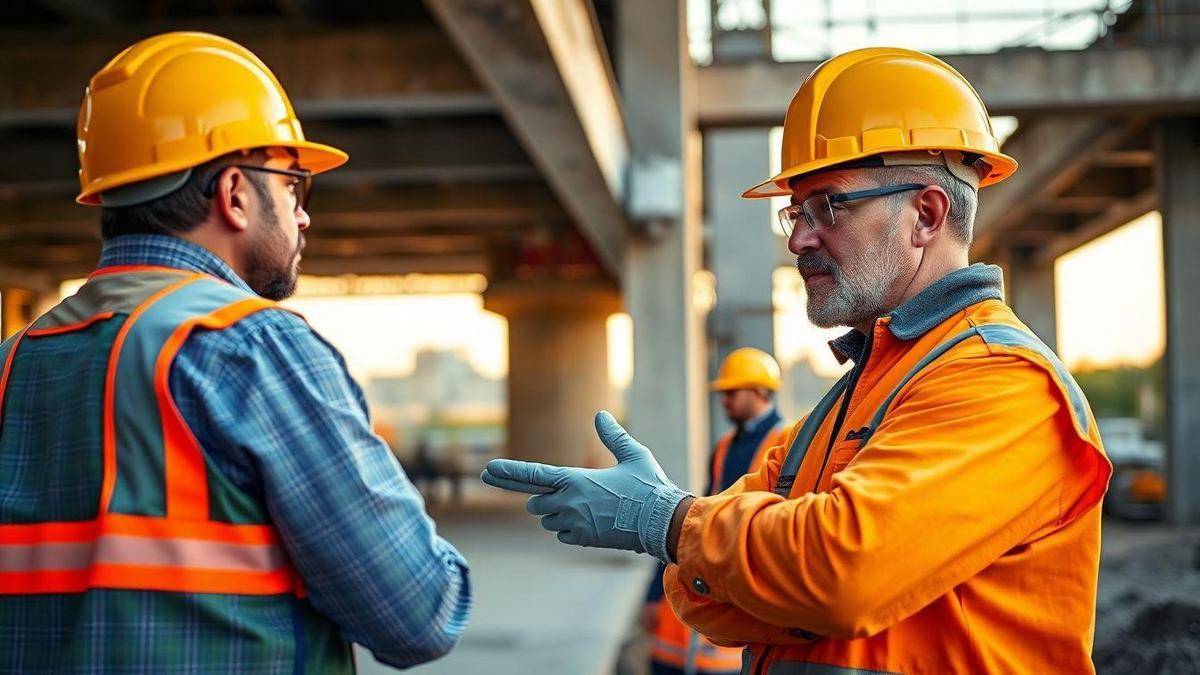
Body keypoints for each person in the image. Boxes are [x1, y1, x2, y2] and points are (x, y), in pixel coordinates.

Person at [482, 47, 1111, 673]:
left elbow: (840, 573)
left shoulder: (999, 381)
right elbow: (707, 602)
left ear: (925, 214)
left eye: (828, 207)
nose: (798, 239)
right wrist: (724, 552)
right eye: (795, 211)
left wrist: (668, 520)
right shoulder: (842, 405)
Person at [0, 32, 469, 673]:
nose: (303, 217)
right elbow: (421, 614)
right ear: (235, 193)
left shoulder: (12, 364)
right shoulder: (249, 347)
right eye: (295, 187)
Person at [644, 348, 790, 675]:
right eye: (723, 393)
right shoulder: (724, 447)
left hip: (744, 594)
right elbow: (694, 517)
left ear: (760, 391)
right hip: (705, 592)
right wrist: (654, 591)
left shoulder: (788, 442)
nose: (724, 400)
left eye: (731, 392)